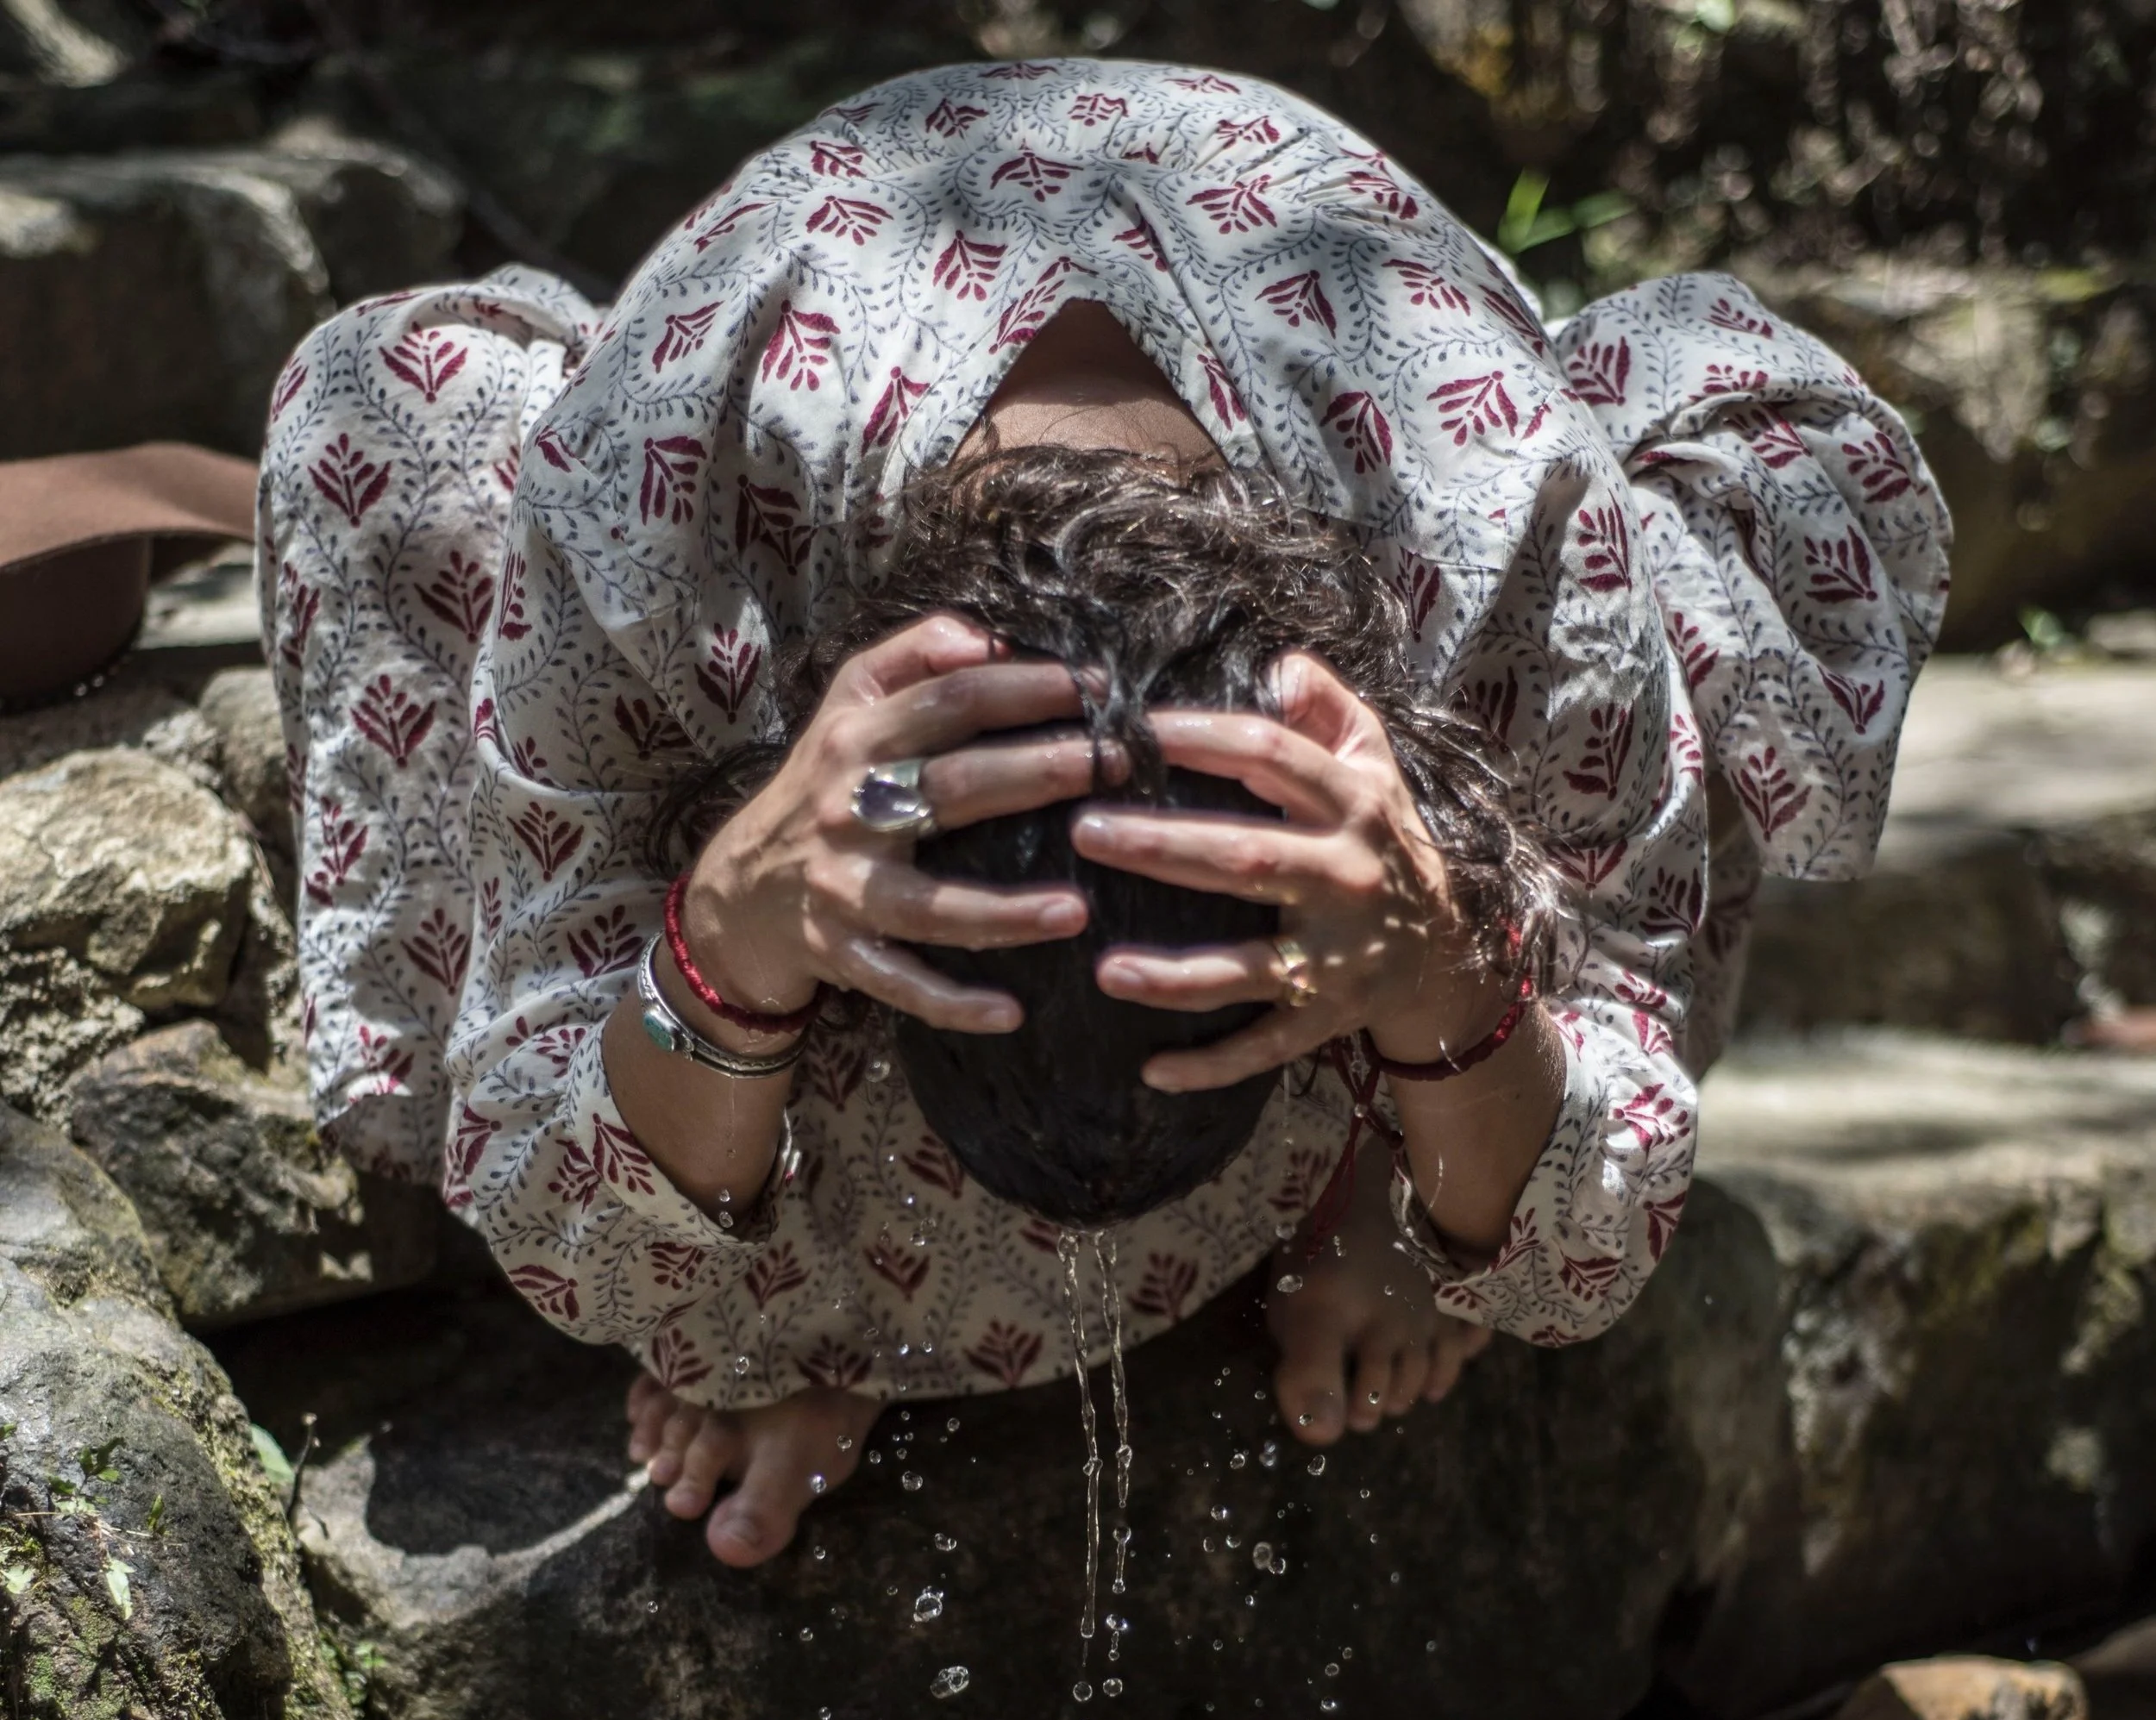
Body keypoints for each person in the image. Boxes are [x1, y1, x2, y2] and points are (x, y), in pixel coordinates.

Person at [259, 57, 1950, 1571]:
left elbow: (1613, 1103)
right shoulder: (665, 509)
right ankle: (825, 1276)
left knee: (1711, 562)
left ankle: (1356, 1186)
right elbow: (542, 1119)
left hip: (1403, 548)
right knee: (386, 409)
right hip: (766, 574)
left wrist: (1441, 981)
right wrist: (729, 934)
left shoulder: (1497, 530)